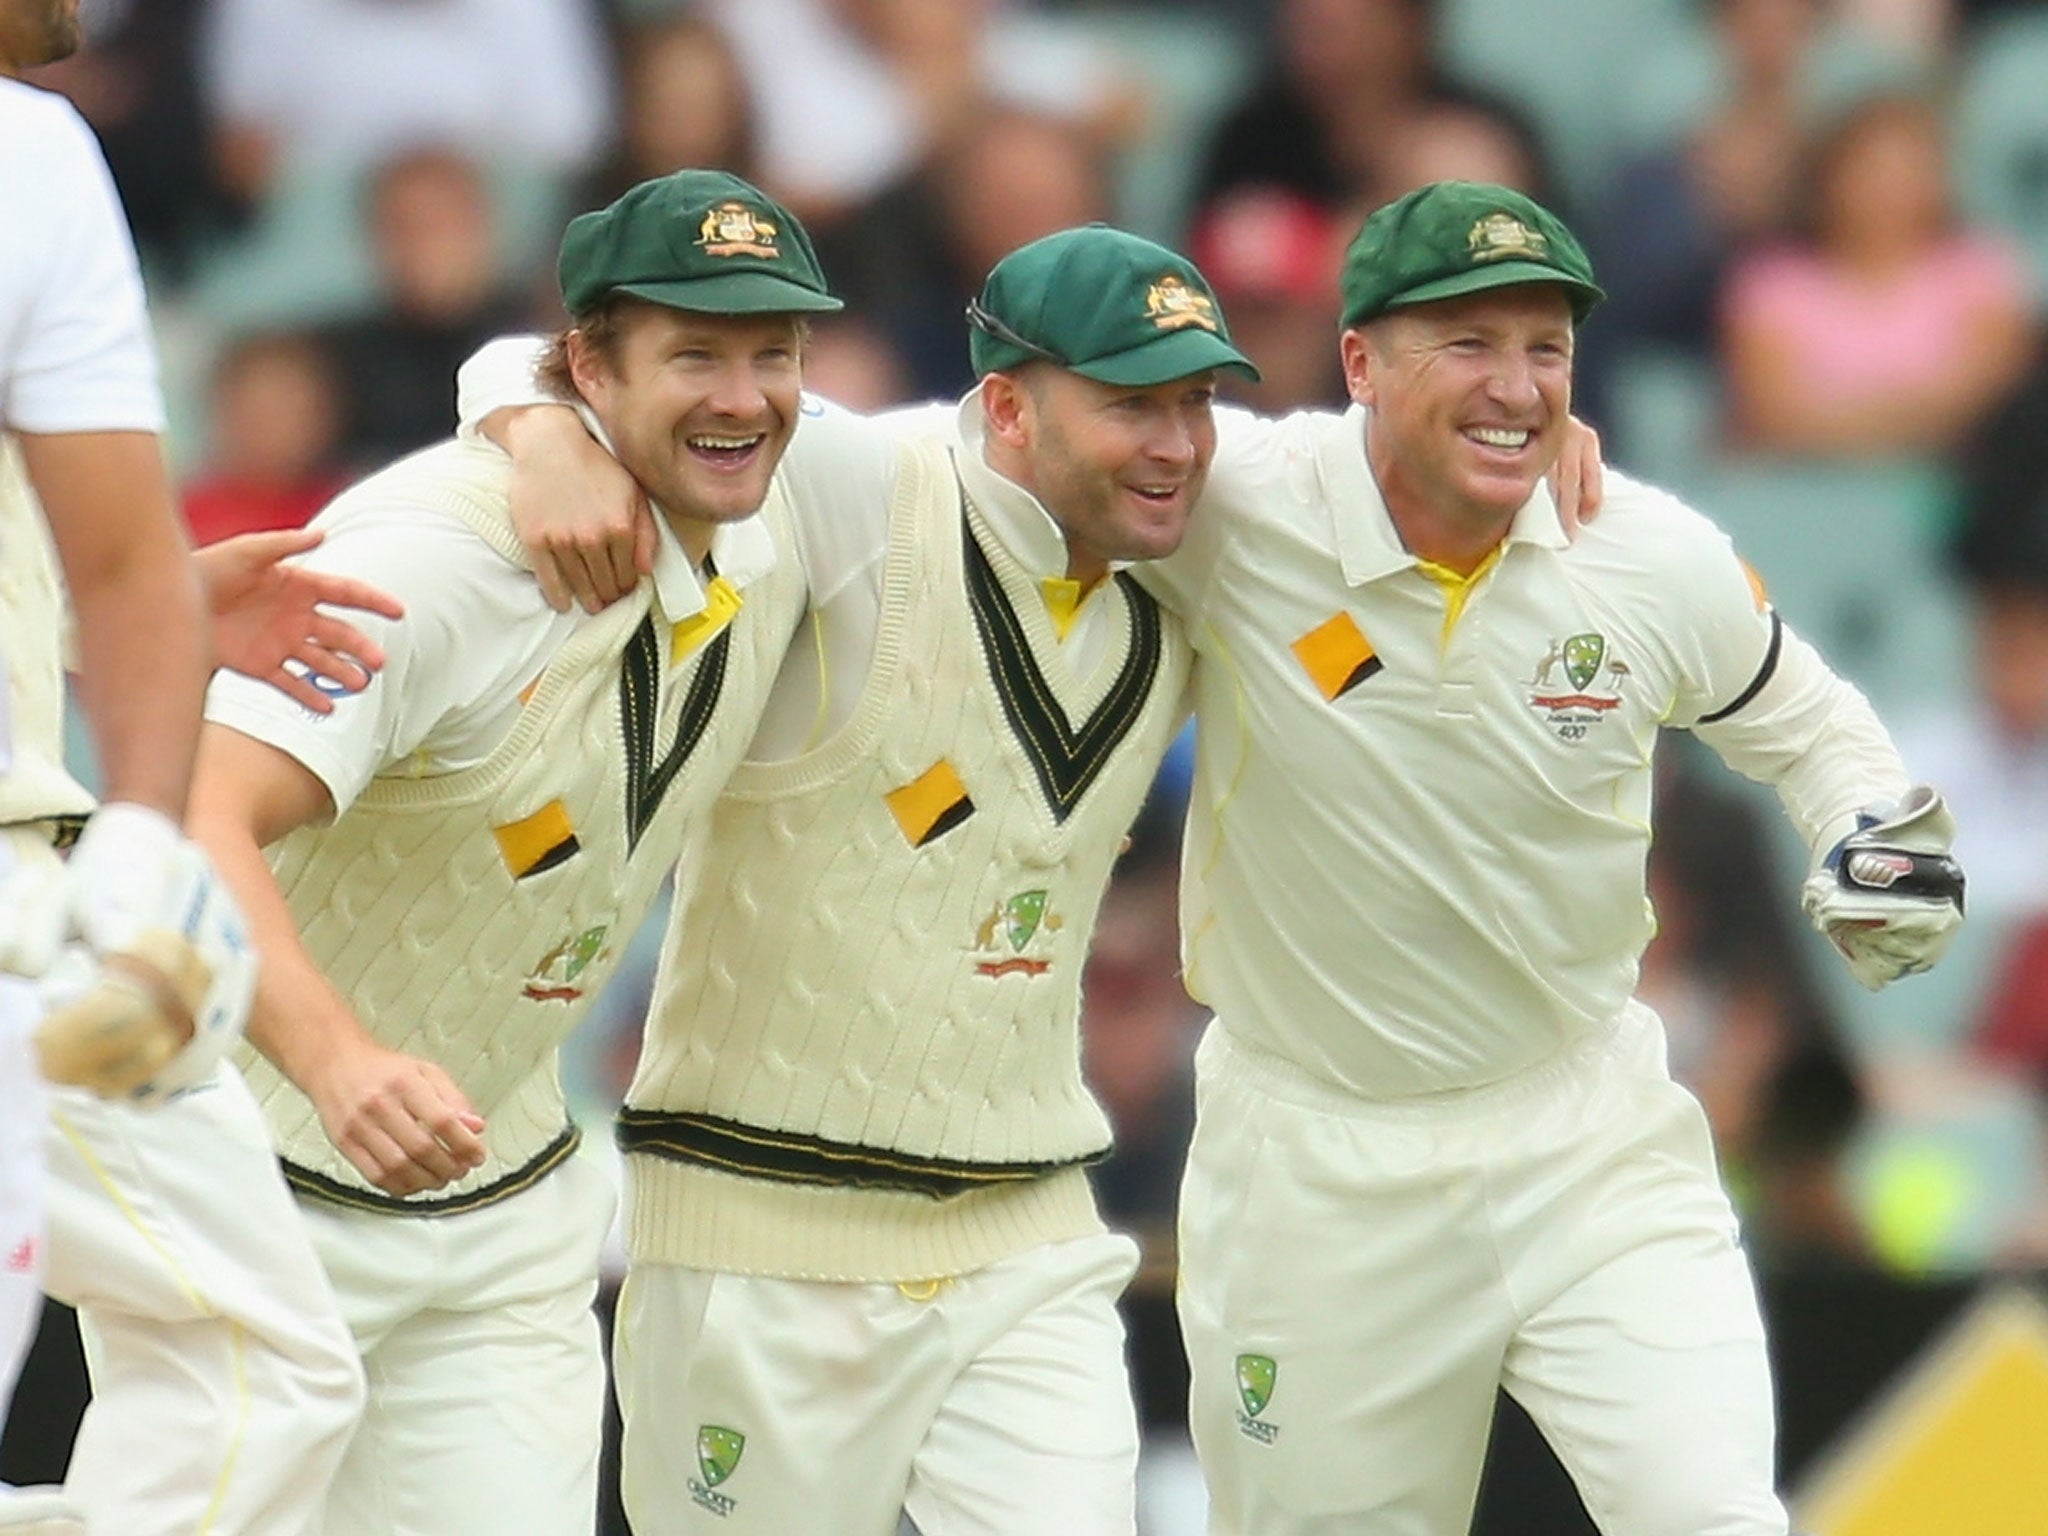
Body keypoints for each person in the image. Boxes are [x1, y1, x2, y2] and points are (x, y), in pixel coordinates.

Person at [1154, 181, 1964, 1534]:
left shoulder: (1642, 554)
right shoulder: (1233, 507)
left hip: (1584, 1133)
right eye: (1468, 342)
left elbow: (1813, 726)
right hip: (1315, 1163)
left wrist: (1878, 839)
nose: (1518, 388)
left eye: (1545, 348)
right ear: (1359, 360)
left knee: (1713, 1518)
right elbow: (1017, 470)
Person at [184, 168, 831, 1536]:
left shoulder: (783, 490)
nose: (744, 395)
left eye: (774, 353)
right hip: (254, 1190)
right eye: (695, 354)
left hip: (510, 1193)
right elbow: (198, 815)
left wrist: (527, 405)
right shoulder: (432, 560)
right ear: (593, 360)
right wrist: (339, 1061)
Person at [2, 6, 389, 1531]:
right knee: (265, 1368)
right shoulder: (29, 152)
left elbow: (110, 564)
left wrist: (138, 612)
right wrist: (149, 854)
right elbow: (113, 551)